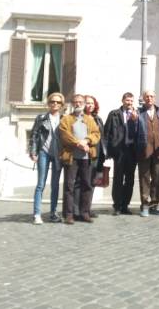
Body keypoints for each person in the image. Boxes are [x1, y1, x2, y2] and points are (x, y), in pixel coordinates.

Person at [59, 94, 101, 224]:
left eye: (80, 102)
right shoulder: (66, 119)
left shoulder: (89, 119)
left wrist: (87, 140)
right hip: (71, 157)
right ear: (72, 104)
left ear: (83, 104)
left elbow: (96, 134)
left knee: (86, 185)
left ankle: (84, 213)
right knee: (69, 186)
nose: (78, 104)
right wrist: (78, 143)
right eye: (75, 102)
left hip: (86, 157)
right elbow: (64, 135)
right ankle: (69, 214)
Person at [29, 92, 65, 225]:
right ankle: (37, 214)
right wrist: (33, 152)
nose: (55, 104)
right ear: (48, 103)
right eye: (52, 101)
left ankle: (53, 213)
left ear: (61, 105)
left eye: (58, 102)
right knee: (40, 184)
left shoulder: (64, 118)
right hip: (43, 152)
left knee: (55, 185)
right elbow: (34, 135)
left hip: (58, 154)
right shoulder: (41, 118)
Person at [104, 92, 138, 215]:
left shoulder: (137, 114)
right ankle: (117, 206)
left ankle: (125, 205)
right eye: (127, 100)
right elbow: (107, 132)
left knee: (130, 180)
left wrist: (136, 121)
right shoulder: (114, 114)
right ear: (122, 100)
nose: (129, 103)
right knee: (118, 179)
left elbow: (141, 131)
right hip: (119, 151)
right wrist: (107, 151)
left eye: (131, 101)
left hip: (132, 151)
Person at [73, 95, 106, 220]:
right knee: (80, 182)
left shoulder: (98, 119)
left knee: (91, 182)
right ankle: (76, 211)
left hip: (96, 154)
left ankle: (86, 209)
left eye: (92, 103)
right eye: (87, 103)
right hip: (84, 153)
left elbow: (102, 136)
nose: (90, 105)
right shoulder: (79, 118)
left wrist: (105, 153)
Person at [136, 90, 159, 217]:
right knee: (144, 179)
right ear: (144, 99)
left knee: (158, 179)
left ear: (155, 98)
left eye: (151, 96)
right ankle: (144, 205)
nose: (149, 98)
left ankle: (155, 205)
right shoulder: (138, 112)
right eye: (147, 96)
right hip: (144, 151)